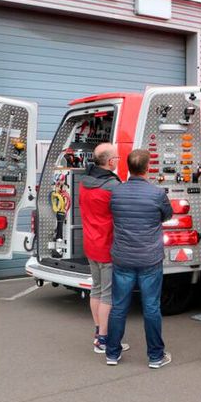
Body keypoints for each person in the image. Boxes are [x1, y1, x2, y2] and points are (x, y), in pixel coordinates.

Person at [106, 149, 174, 368]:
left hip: (123, 257)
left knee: (118, 307)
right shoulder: (157, 193)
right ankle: (155, 356)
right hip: (149, 258)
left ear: (128, 167)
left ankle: (112, 353)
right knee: (151, 307)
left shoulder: (116, 192)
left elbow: (112, 212)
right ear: (147, 168)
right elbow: (168, 215)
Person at [78, 143, 130, 355]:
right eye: (117, 157)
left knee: (97, 289)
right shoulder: (112, 186)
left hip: (90, 244)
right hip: (107, 246)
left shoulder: (84, 182)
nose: (118, 160)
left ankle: (98, 331)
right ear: (110, 162)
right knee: (108, 294)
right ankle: (103, 339)